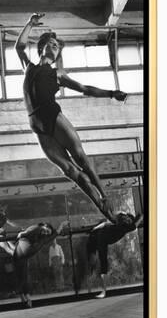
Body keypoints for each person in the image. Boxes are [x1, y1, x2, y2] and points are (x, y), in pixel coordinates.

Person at [15, 13, 127, 222]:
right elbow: (19, 47)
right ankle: (108, 214)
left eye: (57, 46)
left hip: (52, 115)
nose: (55, 47)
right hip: (37, 125)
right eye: (51, 43)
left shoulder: (57, 74)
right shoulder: (29, 67)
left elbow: (85, 89)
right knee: (70, 171)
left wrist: (111, 93)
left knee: (80, 159)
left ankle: (105, 195)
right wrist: (29, 24)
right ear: (42, 47)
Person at [0, 220, 69, 307]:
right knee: (21, 276)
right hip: (23, 248)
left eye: (47, 233)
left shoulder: (41, 235)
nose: (46, 233)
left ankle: (25, 298)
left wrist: (61, 225)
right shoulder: (38, 228)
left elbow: (54, 234)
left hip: (22, 254)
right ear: (44, 225)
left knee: (23, 276)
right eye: (46, 230)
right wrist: (23, 233)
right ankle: (25, 297)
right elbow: (31, 230)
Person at [87, 212, 143, 299]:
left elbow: (134, 225)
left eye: (128, 220)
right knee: (98, 260)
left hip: (102, 239)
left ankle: (102, 289)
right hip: (98, 236)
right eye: (126, 218)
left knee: (102, 262)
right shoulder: (119, 221)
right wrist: (94, 228)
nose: (126, 219)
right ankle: (95, 279)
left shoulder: (126, 227)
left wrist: (140, 216)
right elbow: (106, 222)